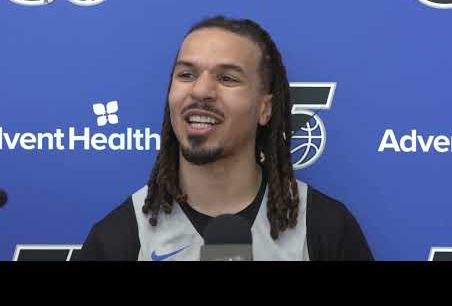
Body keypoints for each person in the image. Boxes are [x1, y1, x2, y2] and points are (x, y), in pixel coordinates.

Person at [73, 15, 374, 261]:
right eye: (187, 75)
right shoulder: (119, 237)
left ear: (265, 108)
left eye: (227, 78)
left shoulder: (325, 227)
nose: (201, 91)